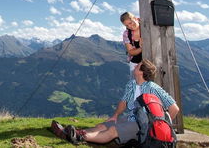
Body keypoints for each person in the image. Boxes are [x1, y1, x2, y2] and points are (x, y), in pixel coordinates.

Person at [51, 59, 179, 145]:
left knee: (113, 131)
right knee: (102, 126)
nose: (135, 67)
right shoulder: (132, 84)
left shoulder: (153, 88)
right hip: (131, 117)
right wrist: (115, 116)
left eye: (138, 66)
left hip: (143, 124)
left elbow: (174, 108)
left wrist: (159, 128)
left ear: (141, 72)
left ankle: (77, 137)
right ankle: (75, 133)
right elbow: (123, 101)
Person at [120, 12, 142, 76]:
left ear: (135, 18)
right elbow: (131, 52)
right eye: (126, 25)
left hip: (151, 60)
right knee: (135, 83)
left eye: (130, 23)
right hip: (135, 63)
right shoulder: (126, 33)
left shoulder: (146, 26)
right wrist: (142, 48)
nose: (130, 26)